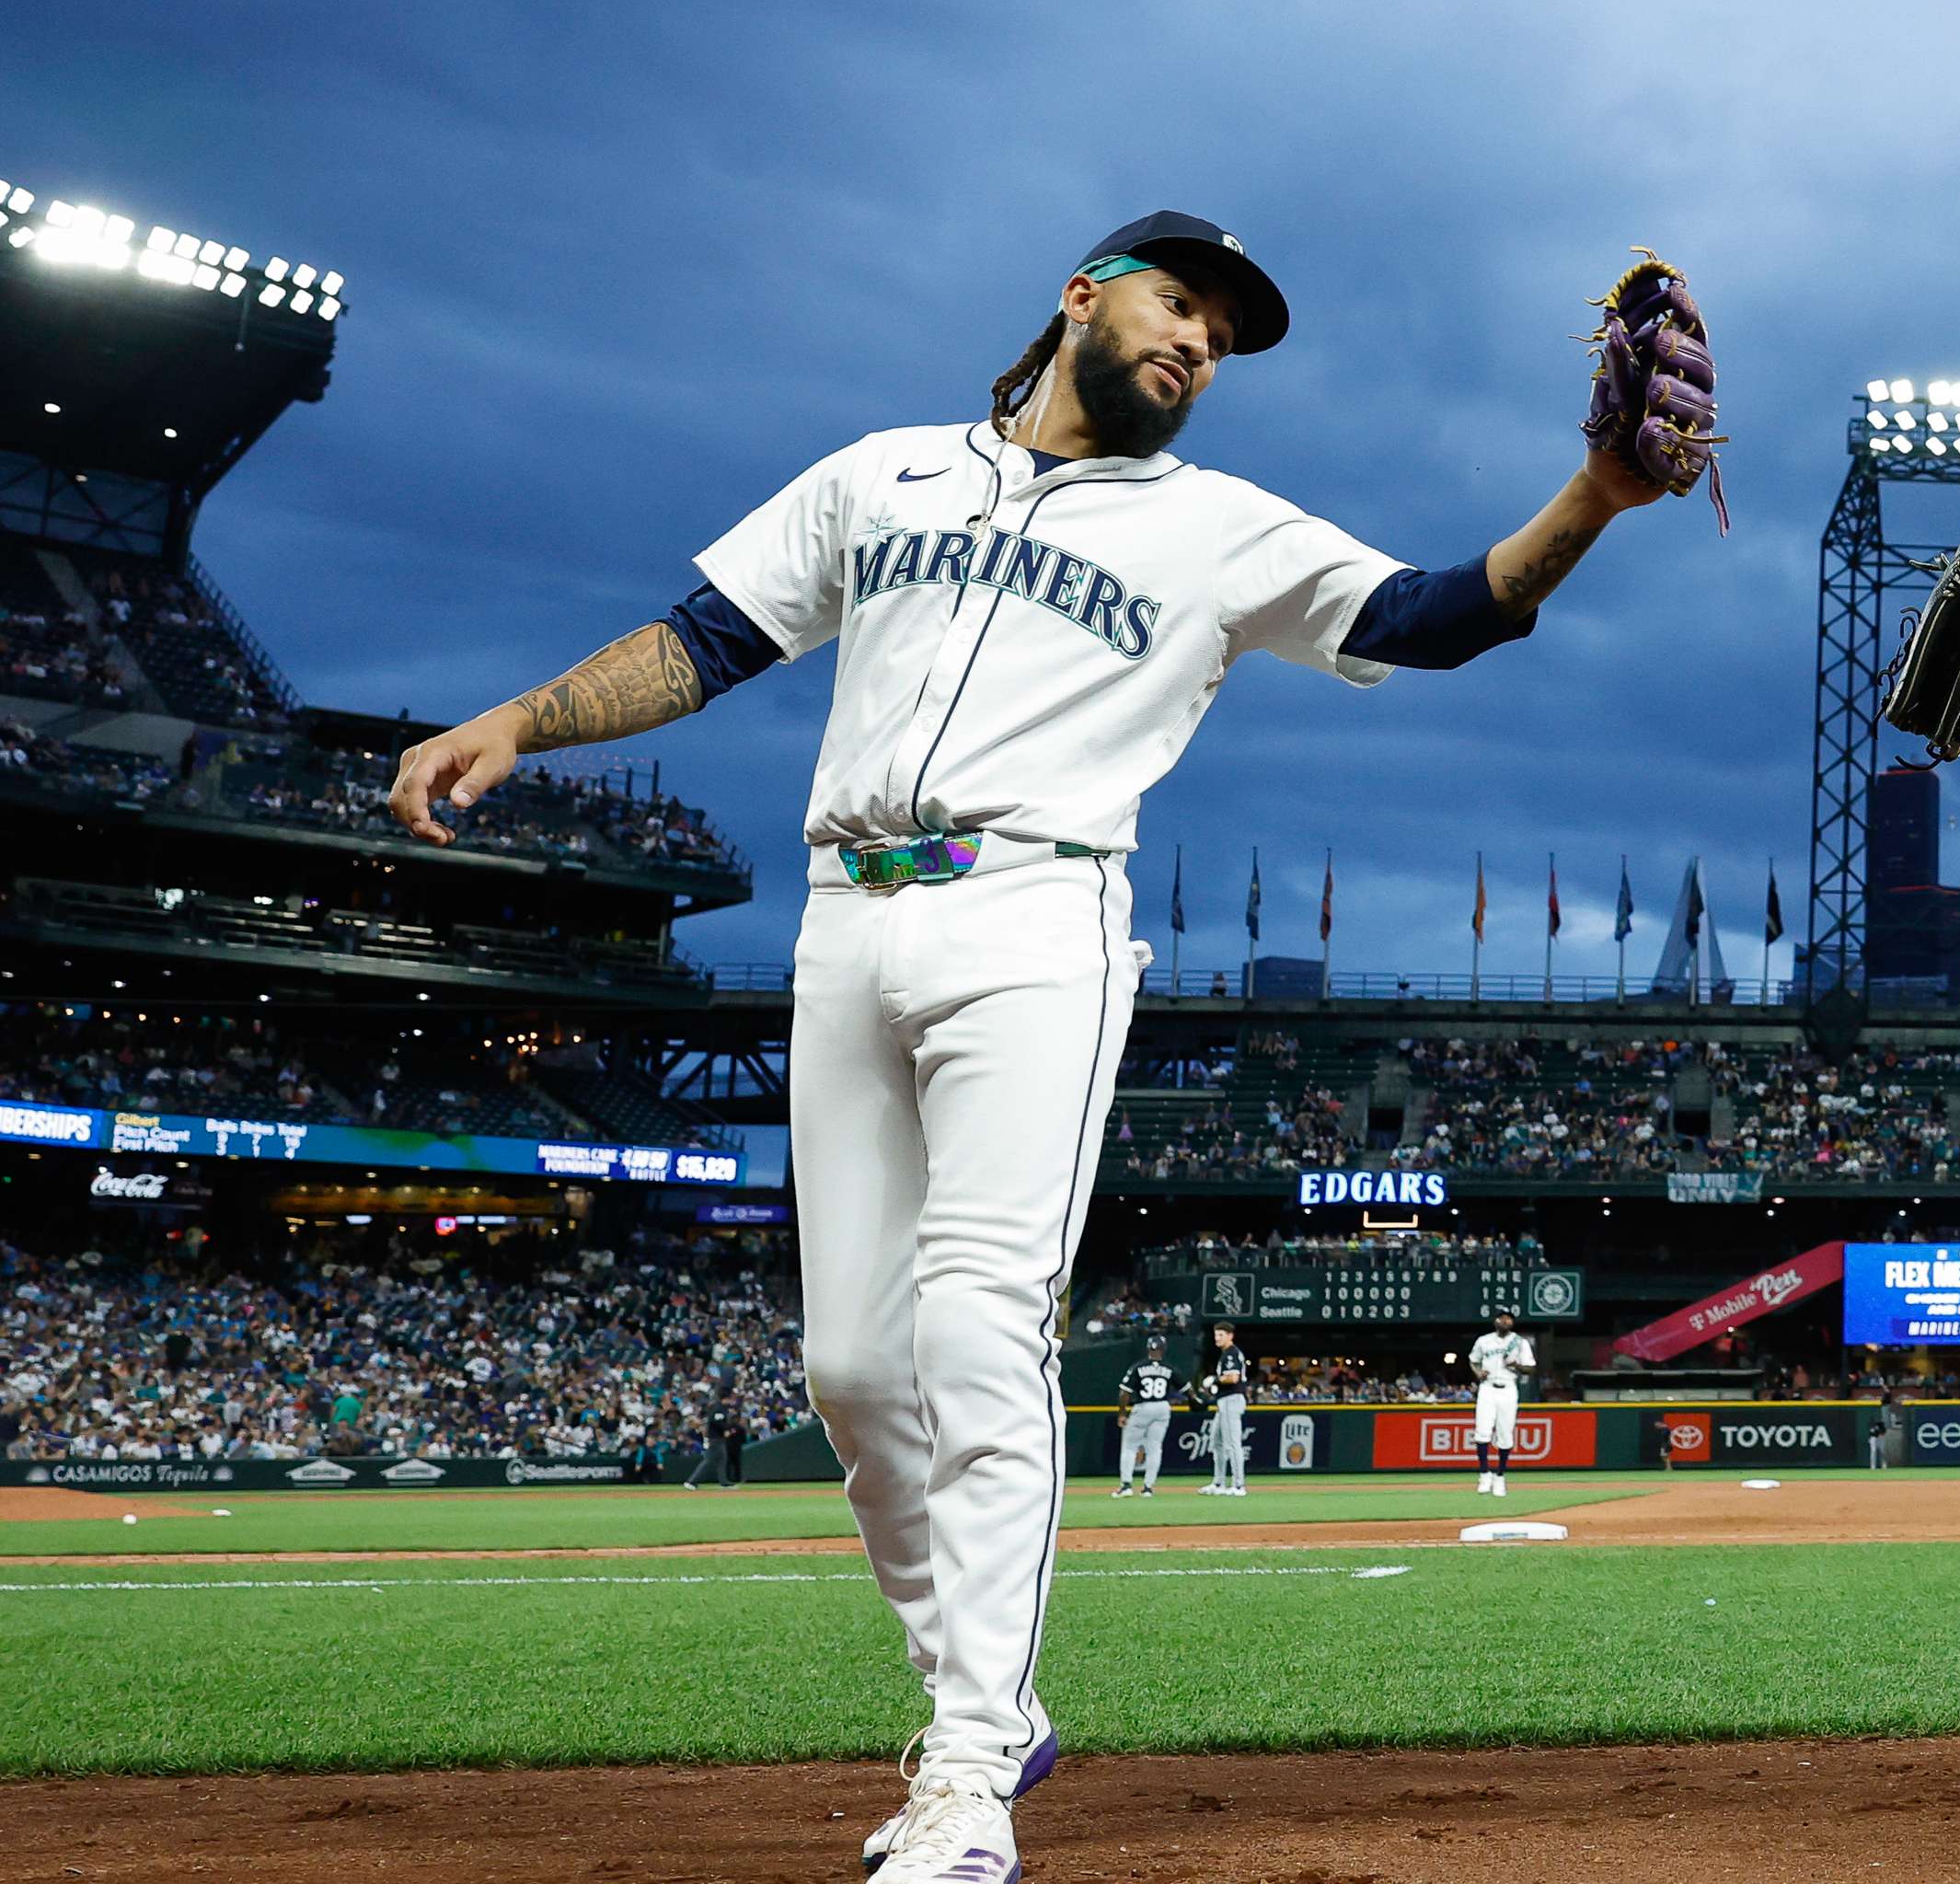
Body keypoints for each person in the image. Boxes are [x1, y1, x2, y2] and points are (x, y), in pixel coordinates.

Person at [381, 209, 1671, 1884]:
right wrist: (518, 718)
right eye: (1179, 299)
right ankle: (986, 1694)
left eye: (1226, 329)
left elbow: (1435, 616)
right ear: (1080, 297)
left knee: (981, 1325)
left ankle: (968, 1771)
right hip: (849, 918)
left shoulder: (1217, 525)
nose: (1201, 336)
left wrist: (1598, 500)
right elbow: (705, 641)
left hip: (1036, 918)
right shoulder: (883, 476)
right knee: (852, 1370)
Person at [1464, 1305, 1535, 1496]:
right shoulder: (1484, 1341)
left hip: (1508, 1388)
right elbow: (1473, 1359)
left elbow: (1530, 1368)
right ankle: (1484, 1474)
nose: (1506, 1321)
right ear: (1496, 1321)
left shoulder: (1520, 1343)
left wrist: (1516, 1364)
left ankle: (1500, 1476)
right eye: (1502, 1318)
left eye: (1509, 1318)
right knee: (1482, 1432)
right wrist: (1479, 1373)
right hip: (1487, 1388)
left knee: (1505, 1435)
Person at [1112, 1337, 1177, 1498]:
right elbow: (1186, 1388)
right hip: (1162, 1407)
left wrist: (1121, 1413)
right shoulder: (1169, 1367)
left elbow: (1124, 1392)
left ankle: (1126, 1485)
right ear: (1164, 1349)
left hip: (1143, 1407)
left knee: (1129, 1447)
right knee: (1154, 1448)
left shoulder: (1138, 1367)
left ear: (1148, 1349)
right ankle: (1148, 1488)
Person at [1199, 1321, 1251, 1497]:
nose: (1217, 1338)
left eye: (1221, 1335)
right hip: (1225, 1401)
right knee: (1216, 1442)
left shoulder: (1231, 1353)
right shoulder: (1227, 1354)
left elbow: (1233, 1378)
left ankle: (1238, 1485)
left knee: (1232, 1443)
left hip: (1232, 1400)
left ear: (1230, 1336)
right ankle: (1218, 1482)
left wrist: (1214, 1380)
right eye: (1216, 1335)